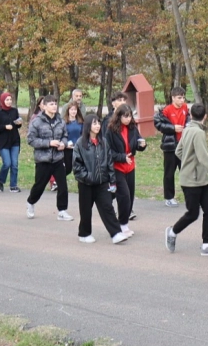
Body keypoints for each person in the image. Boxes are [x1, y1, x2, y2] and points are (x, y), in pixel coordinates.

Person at [167, 102, 208, 253]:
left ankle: (206, 244)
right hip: (191, 180)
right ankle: (172, 232)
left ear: (191, 115)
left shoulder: (187, 129)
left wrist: (188, 162)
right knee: (193, 213)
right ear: (205, 116)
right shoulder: (198, 132)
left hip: (199, 179)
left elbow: (178, 151)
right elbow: (203, 157)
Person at [73, 114, 121, 244]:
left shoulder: (104, 142)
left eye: (99, 123)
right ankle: (84, 233)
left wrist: (112, 180)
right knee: (85, 210)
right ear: (88, 126)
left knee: (107, 207)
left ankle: (116, 233)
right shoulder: (80, 143)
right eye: (94, 123)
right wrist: (88, 177)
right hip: (86, 184)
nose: (98, 126)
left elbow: (109, 162)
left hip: (102, 183)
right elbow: (77, 167)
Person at [25, 96, 73, 222]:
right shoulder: (37, 121)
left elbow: (65, 135)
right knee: (39, 186)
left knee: (63, 186)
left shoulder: (60, 121)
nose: (54, 106)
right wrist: (48, 143)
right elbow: (30, 140)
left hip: (58, 159)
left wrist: (63, 143)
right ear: (44, 106)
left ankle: (62, 211)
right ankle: (31, 202)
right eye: (51, 104)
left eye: (55, 103)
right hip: (43, 160)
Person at [106, 103, 146, 240]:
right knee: (124, 196)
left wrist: (142, 145)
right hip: (117, 167)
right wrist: (122, 157)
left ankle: (124, 223)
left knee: (131, 196)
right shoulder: (111, 130)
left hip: (131, 166)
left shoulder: (133, 128)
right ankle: (122, 224)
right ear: (119, 116)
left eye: (130, 116)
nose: (129, 119)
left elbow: (136, 143)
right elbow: (108, 151)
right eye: (126, 116)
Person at [154, 88, 189, 208]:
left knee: (186, 170)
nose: (182, 100)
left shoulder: (185, 108)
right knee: (169, 172)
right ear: (173, 98)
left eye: (183, 97)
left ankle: (189, 195)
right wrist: (173, 128)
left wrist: (187, 126)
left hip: (183, 144)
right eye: (179, 97)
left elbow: (188, 119)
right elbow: (158, 124)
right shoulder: (167, 110)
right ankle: (169, 197)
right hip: (170, 145)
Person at [0, 92, 23, 192]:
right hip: (3, 142)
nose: (9, 102)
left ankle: (13, 185)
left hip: (14, 140)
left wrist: (19, 123)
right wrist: (4, 127)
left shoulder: (14, 111)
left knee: (15, 164)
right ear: (2, 101)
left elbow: (17, 125)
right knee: (7, 163)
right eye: (7, 100)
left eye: (10, 99)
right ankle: (0, 180)